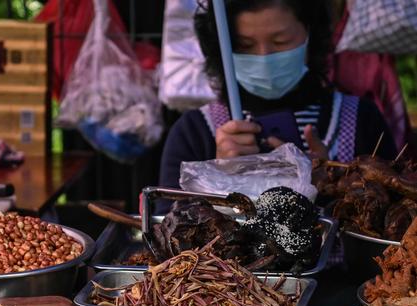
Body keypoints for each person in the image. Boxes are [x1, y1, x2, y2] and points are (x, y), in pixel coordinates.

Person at [159, 0, 397, 189]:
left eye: (281, 41)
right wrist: (220, 179)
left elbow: (395, 225)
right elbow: (166, 228)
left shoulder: (360, 120)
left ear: (310, 33)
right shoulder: (194, 132)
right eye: (245, 45)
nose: (264, 56)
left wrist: (331, 184)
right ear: (220, 48)